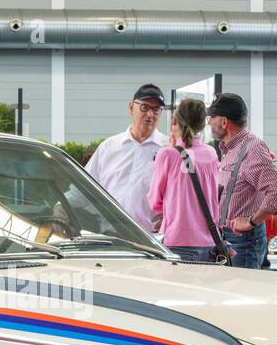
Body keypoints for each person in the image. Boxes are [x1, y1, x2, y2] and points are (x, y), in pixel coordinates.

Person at [206, 93, 277, 269]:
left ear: (224, 121)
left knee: (240, 294)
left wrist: (251, 221)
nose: (208, 122)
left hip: (242, 241)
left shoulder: (252, 148)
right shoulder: (231, 149)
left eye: (211, 117)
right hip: (230, 239)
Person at [85, 84, 169, 231]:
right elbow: (86, 186)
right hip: (110, 236)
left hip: (152, 239)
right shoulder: (109, 147)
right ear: (131, 107)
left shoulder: (169, 150)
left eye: (156, 110)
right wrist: (60, 208)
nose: (150, 115)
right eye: (144, 107)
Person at [147, 98, 220, 264]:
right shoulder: (211, 154)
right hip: (209, 243)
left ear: (174, 120)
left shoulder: (167, 155)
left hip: (178, 242)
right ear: (203, 124)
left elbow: (154, 202)